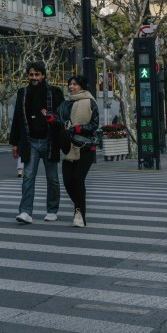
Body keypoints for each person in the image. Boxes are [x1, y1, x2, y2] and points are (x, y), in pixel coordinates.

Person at [9, 62, 65, 224]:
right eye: (31, 75)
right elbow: (17, 119)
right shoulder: (23, 93)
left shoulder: (55, 92)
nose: (34, 78)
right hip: (30, 142)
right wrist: (14, 143)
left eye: (37, 74)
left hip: (50, 141)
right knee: (28, 177)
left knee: (52, 178)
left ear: (43, 75)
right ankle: (26, 212)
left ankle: (52, 210)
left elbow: (63, 117)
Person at [55, 75, 100, 227]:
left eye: (75, 84)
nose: (71, 87)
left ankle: (79, 213)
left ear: (82, 86)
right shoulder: (65, 104)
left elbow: (94, 125)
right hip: (68, 146)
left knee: (78, 180)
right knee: (68, 182)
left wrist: (78, 128)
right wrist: (50, 118)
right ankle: (79, 207)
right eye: (70, 84)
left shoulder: (90, 102)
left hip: (86, 147)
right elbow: (58, 119)